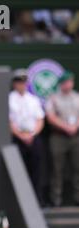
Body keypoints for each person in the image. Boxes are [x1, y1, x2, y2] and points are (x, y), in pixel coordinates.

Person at [8, 69, 45, 202]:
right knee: (19, 170)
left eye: (24, 82)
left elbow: (40, 119)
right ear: (14, 84)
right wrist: (21, 135)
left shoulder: (33, 100)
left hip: (33, 137)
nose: (21, 85)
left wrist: (32, 134)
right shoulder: (9, 99)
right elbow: (9, 121)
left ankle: (37, 200)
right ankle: (21, 200)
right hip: (17, 139)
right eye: (19, 82)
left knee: (36, 170)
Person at [46, 71, 79, 206]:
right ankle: (56, 198)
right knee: (57, 168)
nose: (69, 84)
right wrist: (66, 127)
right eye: (66, 82)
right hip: (59, 136)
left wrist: (75, 127)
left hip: (76, 137)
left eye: (71, 82)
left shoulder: (77, 97)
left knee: (78, 167)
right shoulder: (53, 98)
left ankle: (77, 197)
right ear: (61, 84)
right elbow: (51, 117)